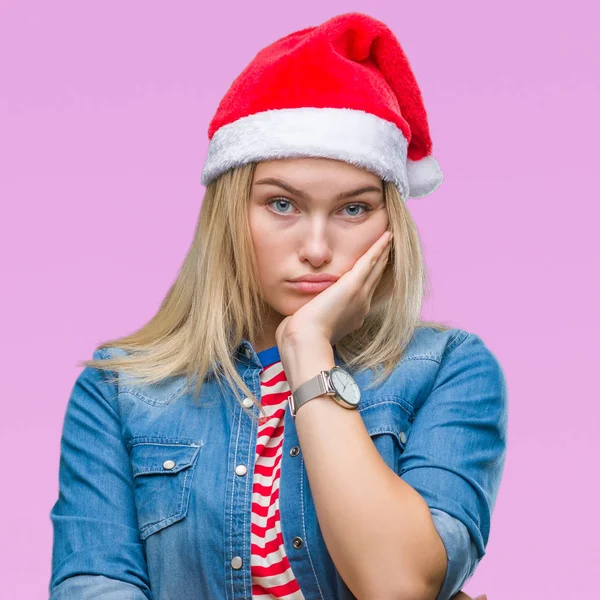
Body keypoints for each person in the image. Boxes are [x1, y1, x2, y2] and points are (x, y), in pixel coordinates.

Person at [49, 11, 505, 600]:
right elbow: (95, 586)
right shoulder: (121, 390)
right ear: (231, 214)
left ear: (392, 222)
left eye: (354, 209)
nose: (316, 249)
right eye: (282, 205)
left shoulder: (449, 371)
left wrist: (309, 350)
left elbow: (398, 585)